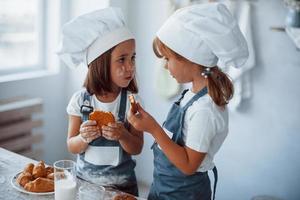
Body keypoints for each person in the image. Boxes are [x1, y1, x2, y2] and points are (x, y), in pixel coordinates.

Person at [127, 3, 248, 200]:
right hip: (164, 188)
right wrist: (148, 122)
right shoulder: (192, 95)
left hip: (184, 194)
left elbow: (189, 165)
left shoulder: (205, 110)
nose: (165, 66)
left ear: (191, 58)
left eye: (167, 58)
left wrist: (154, 129)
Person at [57, 7, 143, 196]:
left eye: (133, 58)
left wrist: (123, 135)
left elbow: (137, 147)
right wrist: (84, 137)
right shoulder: (80, 100)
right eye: (122, 59)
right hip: (86, 186)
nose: (130, 67)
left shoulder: (132, 101)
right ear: (100, 63)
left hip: (123, 189)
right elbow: (71, 145)